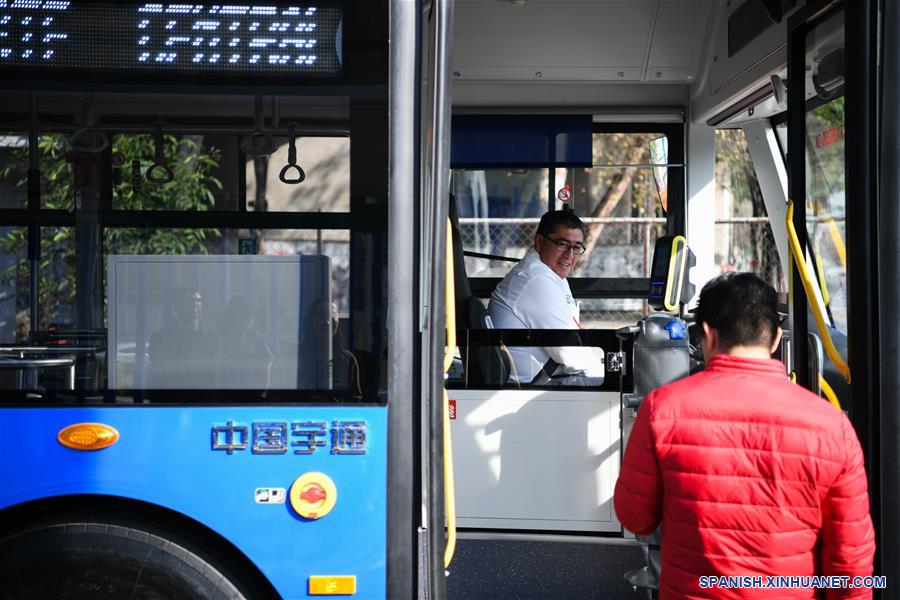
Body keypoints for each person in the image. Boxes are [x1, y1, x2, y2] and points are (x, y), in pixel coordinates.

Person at [614, 273, 875, 599]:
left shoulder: (662, 409)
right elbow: (851, 555)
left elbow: (635, 517)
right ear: (777, 338)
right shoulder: (831, 426)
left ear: (707, 334)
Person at [488, 209, 603, 384]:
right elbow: (570, 354)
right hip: (532, 388)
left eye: (576, 247)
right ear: (539, 242)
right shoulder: (536, 279)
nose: (569, 256)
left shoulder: (551, 273)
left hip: (547, 379)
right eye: (562, 245)